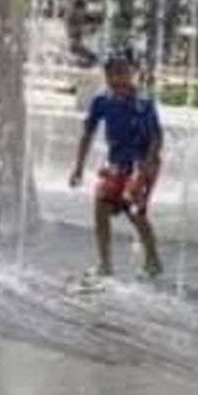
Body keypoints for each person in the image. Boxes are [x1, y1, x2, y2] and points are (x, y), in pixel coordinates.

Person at [67, 48, 164, 285]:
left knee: (133, 211)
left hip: (142, 163)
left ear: (133, 73)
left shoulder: (144, 103)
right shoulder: (102, 101)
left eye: (122, 72)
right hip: (117, 163)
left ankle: (152, 260)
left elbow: (156, 137)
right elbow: (88, 133)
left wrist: (147, 166)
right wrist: (78, 167)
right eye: (111, 72)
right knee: (101, 207)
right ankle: (105, 264)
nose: (116, 77)